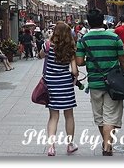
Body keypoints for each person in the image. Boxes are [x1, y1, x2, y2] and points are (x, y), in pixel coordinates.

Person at [76, 8, 124, 156]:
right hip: (114, 83)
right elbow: (123, 60)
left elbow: (79, 62)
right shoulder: (114, 38)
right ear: (103, 20)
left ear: (88, 23)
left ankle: (106, 144)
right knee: (111, 116)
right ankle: (107, 147)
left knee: (100, 118)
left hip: (95, 83)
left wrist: (90, 59)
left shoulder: (83, 40)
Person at [39, 21, 78, 156]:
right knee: (69, 115)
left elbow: (40, 55)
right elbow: (74, 70)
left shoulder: (47, 46)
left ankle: (51, 147)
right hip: (65, 85)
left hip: (50, 85)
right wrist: (75, 79)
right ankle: (70, 145)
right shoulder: (71, 48)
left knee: (53, 117)